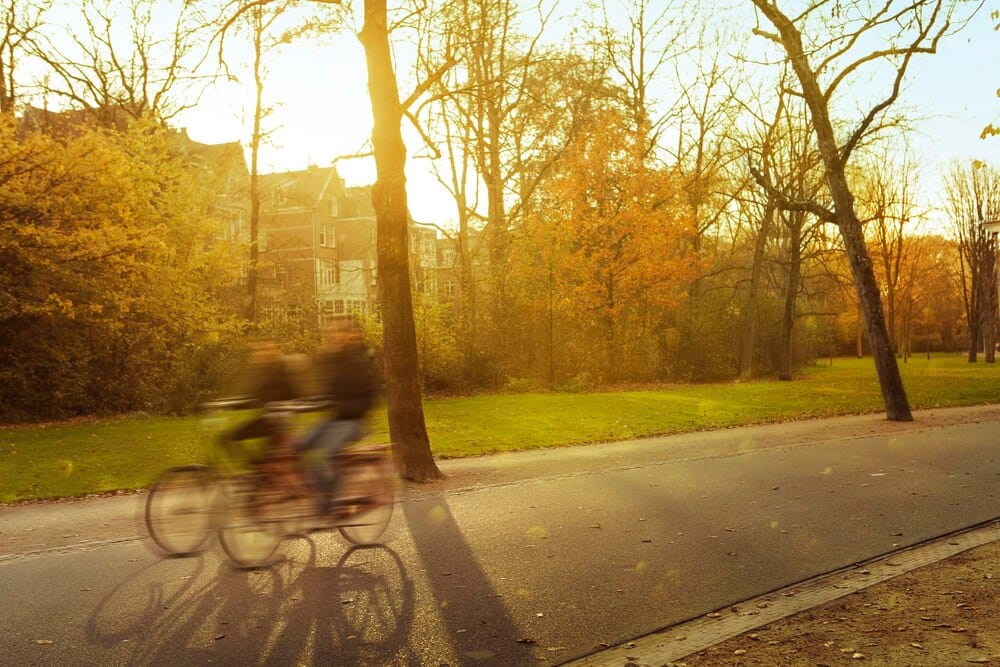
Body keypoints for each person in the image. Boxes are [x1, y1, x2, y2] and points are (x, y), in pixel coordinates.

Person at [297, 314, 378, 514]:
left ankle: (328, 500)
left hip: (354, 420)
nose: (333, 335)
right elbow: (321, 391)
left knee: (325, 453)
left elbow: (370, 397)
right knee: (299, 447)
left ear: (348, 334)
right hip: (333, 419)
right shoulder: (328, 359)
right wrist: (309, 402)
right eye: (330, 331)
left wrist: (341, 406)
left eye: (338, 331)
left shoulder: (358, 360)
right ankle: (324, 493)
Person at [223, 337, 301, 450]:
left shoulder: (285, 369)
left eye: (269, 349)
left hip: (280, 420)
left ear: (278, 350)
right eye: (263, 349)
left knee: (267, 454)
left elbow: (293, 394)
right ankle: (254, 463)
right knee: (228, 438)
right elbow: (251, 395)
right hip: (268, 419)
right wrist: (231, 404)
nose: (266, 353)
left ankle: (256, 463)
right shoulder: (261, 370)